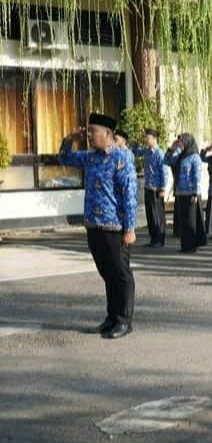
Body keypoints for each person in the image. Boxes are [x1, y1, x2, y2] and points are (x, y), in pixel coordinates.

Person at [58, 113, 137, 339]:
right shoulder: (91, 157)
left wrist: (130, 229)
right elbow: (64, 158)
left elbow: (129, 194)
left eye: (94, 131)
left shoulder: (121, 157)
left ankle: (124, 320)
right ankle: (112, 318)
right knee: (107, 274)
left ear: (108, 133)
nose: (90, 135)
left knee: (120, 274)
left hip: (114, 227)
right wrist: (70, 139)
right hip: (94, 226)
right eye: (89, 131)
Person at [164, 133, 207, 253]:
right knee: (183, 221)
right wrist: (172, 149)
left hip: (190, 193)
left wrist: (195, 193)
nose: (180, 144)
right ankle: (185, 245)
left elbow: (197, 177)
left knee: (190, 221)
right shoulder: (180, 155)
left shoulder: (194, 157)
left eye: (182, 142)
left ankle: (191, 246)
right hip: (180, 192)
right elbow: (167, 161)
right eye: (179, 141)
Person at [133, 128, 168, 247]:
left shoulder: (159, 153)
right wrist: (137, 142)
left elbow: (164, 172)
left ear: (155, 139)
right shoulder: (147, 151)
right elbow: (135, 152)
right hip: (148, 187)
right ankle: (153, 238)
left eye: (148, 138)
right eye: (146, 138)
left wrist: (163, 188)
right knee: (150, 215)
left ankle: (159, 239)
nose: (146, 140)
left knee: (157, 215)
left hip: (156, 189)